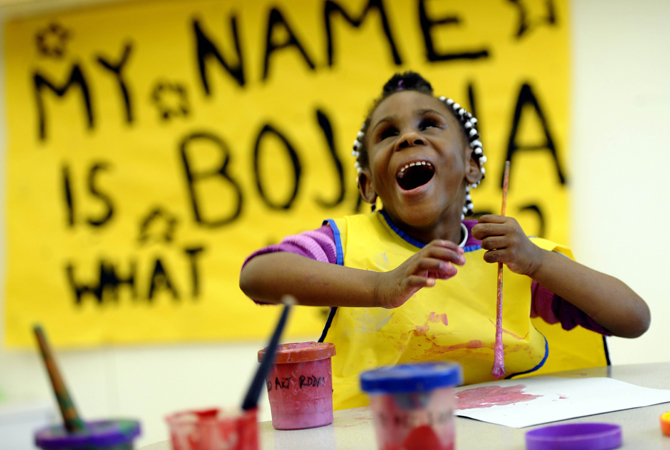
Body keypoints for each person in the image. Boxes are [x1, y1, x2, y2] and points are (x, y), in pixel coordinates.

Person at [239, 72, 650, 410]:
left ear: (472, 165)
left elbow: (632, 318)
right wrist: (382, 287)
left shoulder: (511, 254)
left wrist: (539, 262)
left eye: (428, 125)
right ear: (368, 185)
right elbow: (257, 275)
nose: (408, 138)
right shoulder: (345, 242)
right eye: (387, 134)